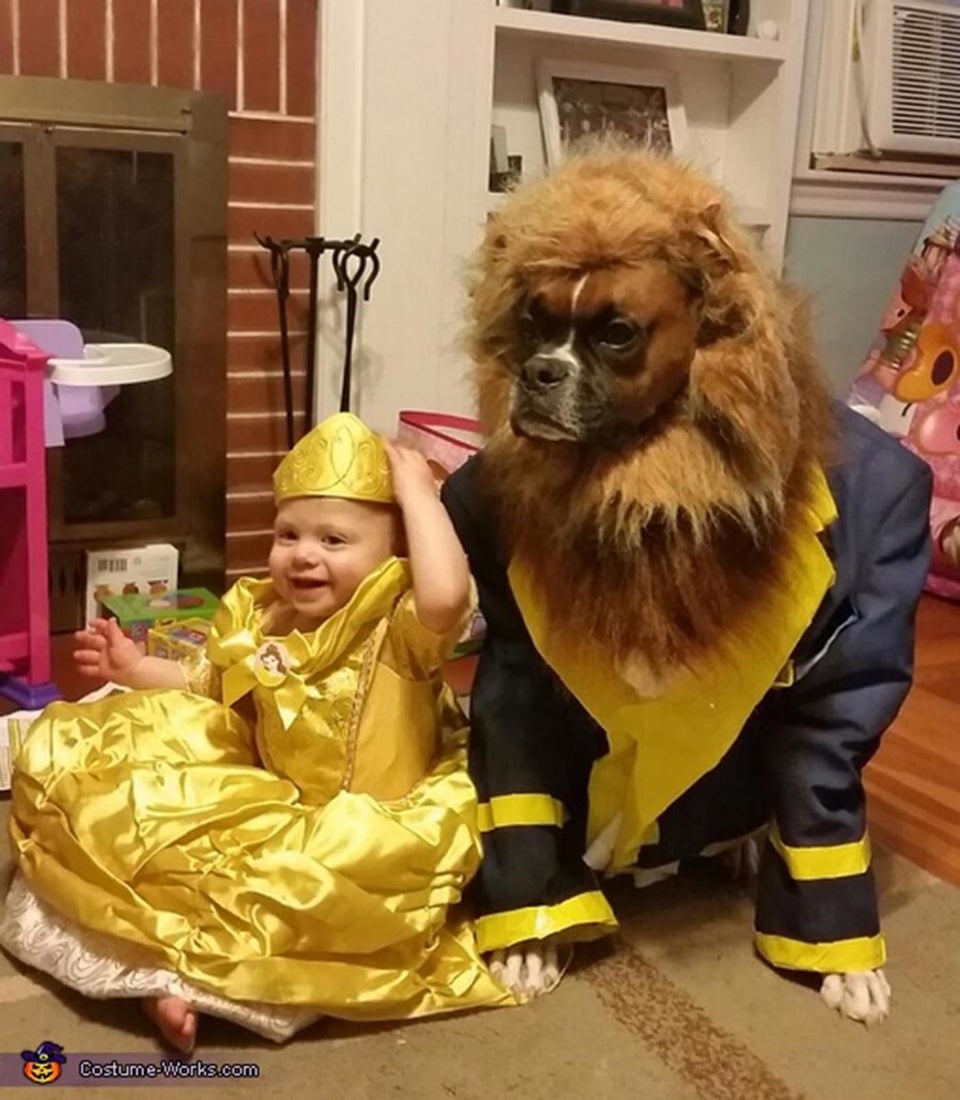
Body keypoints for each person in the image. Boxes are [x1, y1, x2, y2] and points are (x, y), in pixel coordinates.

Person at [0, 412, 512, 1052]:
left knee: (293, 902)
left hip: (366, 828)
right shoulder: (265, 617)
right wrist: (134, 669)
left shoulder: (397, 626)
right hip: (271, 795)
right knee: (137, 817)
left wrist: (419, 496)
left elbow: (447, 596)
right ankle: (163, 975)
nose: (303, 554)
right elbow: (208, 684)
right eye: (288, 533)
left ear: (394, 552)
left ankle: (191, 986)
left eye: (334, 541)